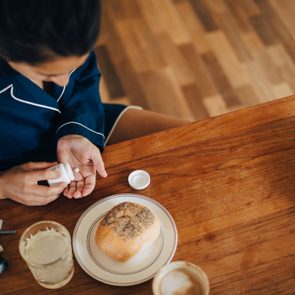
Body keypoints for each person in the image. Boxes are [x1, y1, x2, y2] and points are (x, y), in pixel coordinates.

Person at [0, 0, 188, 206]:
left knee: (189, 145)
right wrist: (4, 186)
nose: (65, 81)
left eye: (74, 65)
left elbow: (83, 81)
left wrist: (76, 132)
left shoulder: (69, 29)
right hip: (18, 179)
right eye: (48, 74)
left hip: (84, 118)